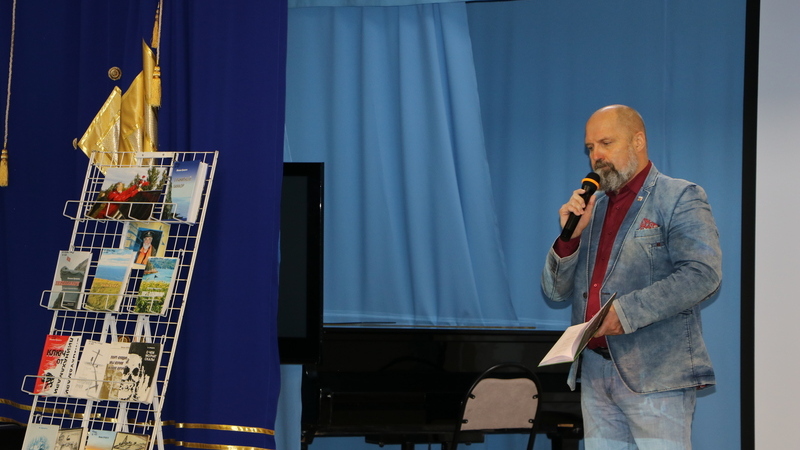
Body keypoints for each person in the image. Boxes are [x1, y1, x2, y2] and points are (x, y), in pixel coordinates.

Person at [541, 105, 722, 449]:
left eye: (606, 143)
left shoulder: (678, 196)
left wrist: (625, 314)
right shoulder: (592, 208)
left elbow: (702, 274)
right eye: (590, 147)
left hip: (656, 375)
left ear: (638, 141)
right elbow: (554, 291)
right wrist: (569, 239)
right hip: (594, 374)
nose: (596, 156)